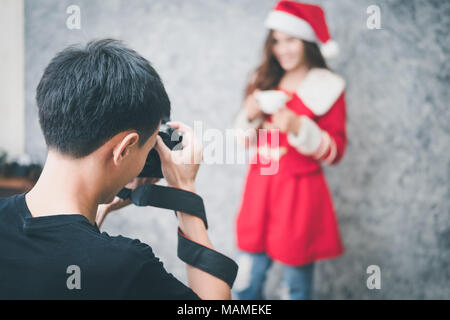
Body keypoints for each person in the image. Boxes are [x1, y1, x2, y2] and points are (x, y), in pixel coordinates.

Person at [0, 39, 230, 300]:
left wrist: (98, 206)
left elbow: (56, 249)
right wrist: (184, 189)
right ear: (124, 148)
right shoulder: (126, 267)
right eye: (148, 148)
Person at [233, 1, 347, 300]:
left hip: (300, 194)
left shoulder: (329, 86)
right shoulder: (262, 79)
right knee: (247, 279)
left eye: (291, 40)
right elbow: (241, 139)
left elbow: (336, 151)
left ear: (307, 41)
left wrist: (299, 128)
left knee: (295, 285)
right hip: (260, 188)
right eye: (276, 41)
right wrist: (248, 114)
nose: (282, 49)